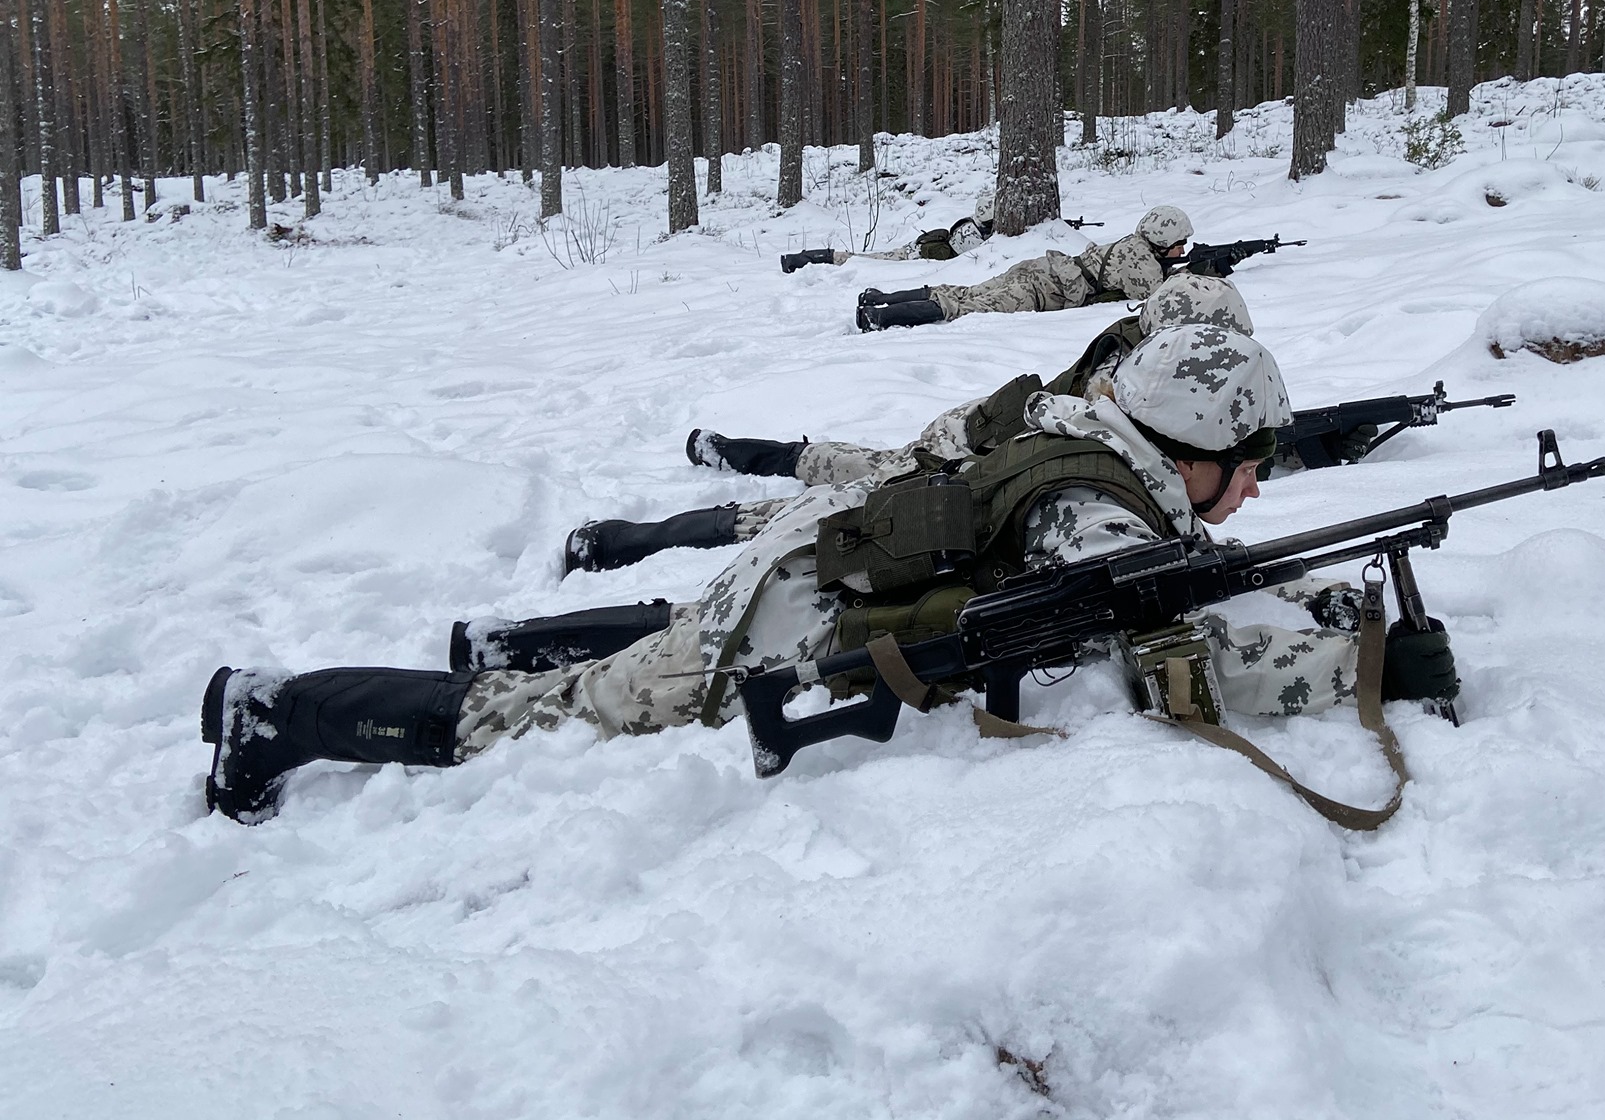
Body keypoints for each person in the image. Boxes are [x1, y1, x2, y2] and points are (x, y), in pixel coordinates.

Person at [199, 324, 1428, 825]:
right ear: (1189, 448)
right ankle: (272, 711)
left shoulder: (1096, 443)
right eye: (1248, 462)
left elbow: (1175, 576)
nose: (1258, 484)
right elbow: (1173, 659)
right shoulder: (1082, 501)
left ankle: (507, 634)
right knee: (551, 722)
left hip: (821, 559)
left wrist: (1313, 591)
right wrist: (1361, 663)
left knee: (664, 640)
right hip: (787, 612)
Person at [560, 277, 1256, 575]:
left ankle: (738, 450)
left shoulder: (1151, 367)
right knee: (826, 509)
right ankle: (635, 537)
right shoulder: (1137, 378)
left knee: (854, 466)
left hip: (981, 445)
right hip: (973, 458)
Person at [856, 204, 1193, 332]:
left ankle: (881, 297)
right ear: (1163, 241)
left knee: (966, 291)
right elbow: (1159, 296)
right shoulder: (1142, 260)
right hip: (1044, 290)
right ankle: (881, 317)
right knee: (969, 305)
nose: (1182, 250)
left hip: (1038, 268)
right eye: (1180, 244)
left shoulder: (1130, 243)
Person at [781, 192, 995, 274]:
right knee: (859, 260)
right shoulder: (973, 232)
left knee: (862, 259)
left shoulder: (971, 223)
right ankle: (805, 259)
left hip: (916, 250)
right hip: (914, 255)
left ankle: (804, 259)